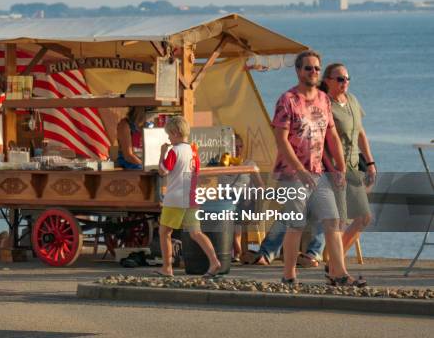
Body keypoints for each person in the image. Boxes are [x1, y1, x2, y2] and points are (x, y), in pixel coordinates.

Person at [272, 50, 366, 287]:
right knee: (296, 224)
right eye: (308, 68)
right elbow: (281, 140)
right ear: (298, 71)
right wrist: (300, 171)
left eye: (316, 68)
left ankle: (338, 274)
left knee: (332, 220)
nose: (313, 72)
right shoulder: (288, 100)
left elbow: (331, 134)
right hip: (292, 173)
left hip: (318, 172)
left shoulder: (324, 100)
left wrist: (339, 167)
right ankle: (289, 275)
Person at [320, 63, 375, 255]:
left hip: (353, 165)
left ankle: (335, 257)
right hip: (333, 168)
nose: (345, 82)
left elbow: (360, 133)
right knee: (339, 219)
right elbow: (320, 142)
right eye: (340, 79)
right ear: (327, 81)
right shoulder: (324, 104)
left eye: (347, 78)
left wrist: (370, 162)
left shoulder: (352, 100)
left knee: (364, 217)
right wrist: (332, 169)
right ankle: (335, 262)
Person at [157, 116, 221, 277]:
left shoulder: (174, 151)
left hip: (175, 198)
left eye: (169, 135)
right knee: (196, 233)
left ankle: (167, 267)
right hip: (191, 197)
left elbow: (163, 171)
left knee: (165, 232)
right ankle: (214, 262)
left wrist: (162, 154)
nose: (169, 138)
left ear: (176, 132)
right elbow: (196, 173)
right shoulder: (193, 151)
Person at [228, 133, 265, 261]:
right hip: (228, 200)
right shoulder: (221, 163)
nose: (238, 150)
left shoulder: (249, 164)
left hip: (245, 201)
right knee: (226, 206)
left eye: (240, 146)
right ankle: (239, 251)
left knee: (236, 208)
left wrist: (254, 198)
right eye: (235, 146)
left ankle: (239, 251)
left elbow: (261, 186)